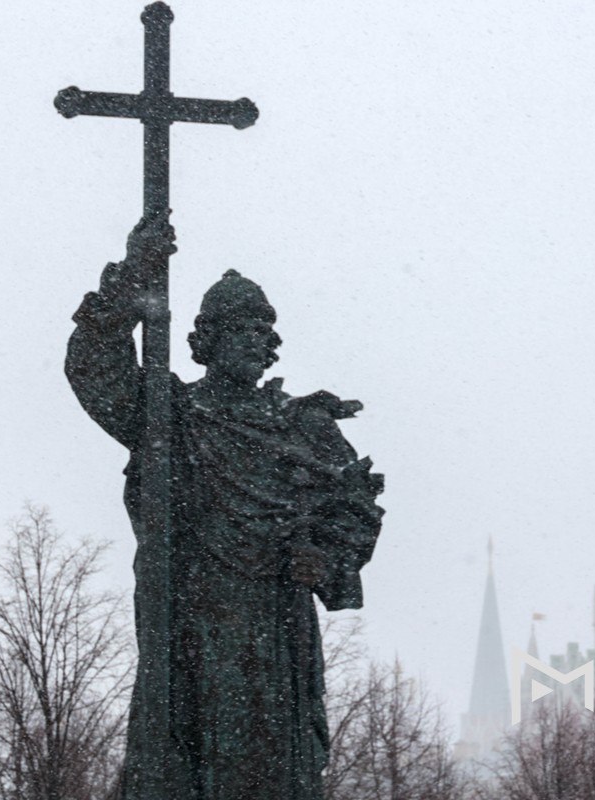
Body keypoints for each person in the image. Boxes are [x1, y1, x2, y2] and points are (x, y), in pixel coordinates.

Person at [65, 211, 384, 799]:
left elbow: (353, 508)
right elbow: (95, 368)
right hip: (190, 620)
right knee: (181, 767)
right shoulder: (172, 415)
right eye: (240, 329)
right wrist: (135, 277)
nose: (256, 341)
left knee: (272, 772)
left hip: (275, 626)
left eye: (264, 331)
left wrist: (322, 554)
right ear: (206, 342)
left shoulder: (303, 429)